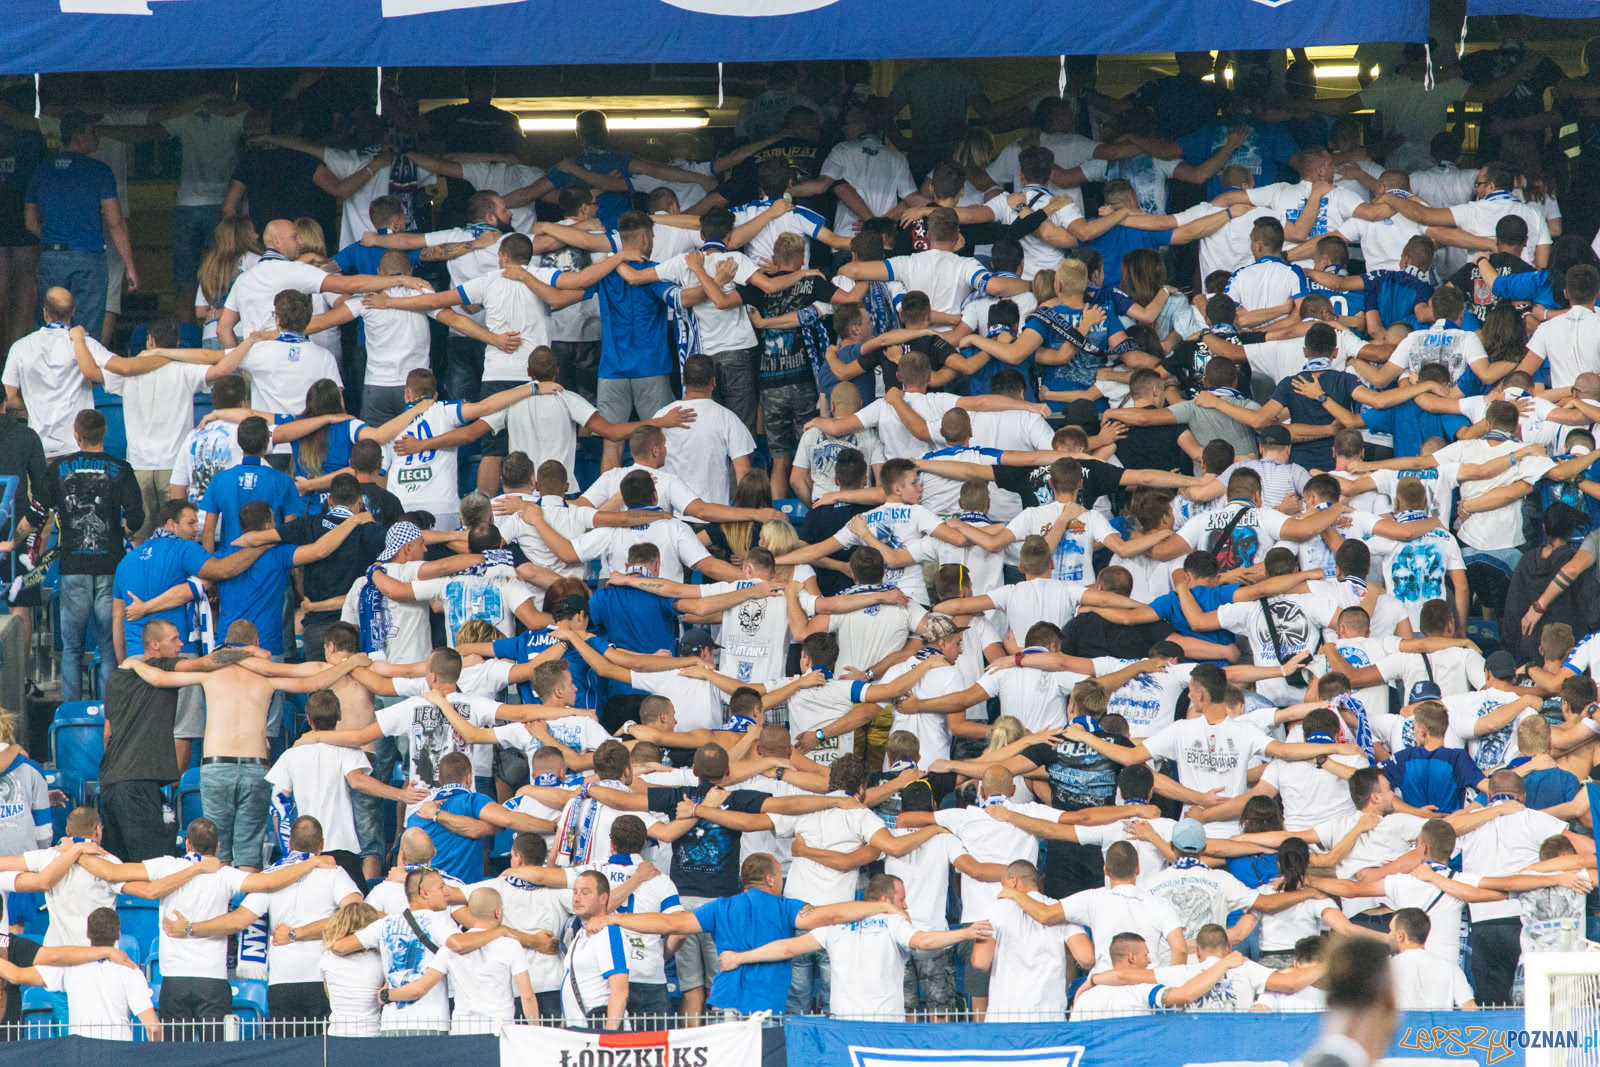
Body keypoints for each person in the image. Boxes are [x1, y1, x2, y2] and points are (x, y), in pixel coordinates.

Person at [605, 852, 910, 1021]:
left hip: (724, 1003)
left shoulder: (721, 907)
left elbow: (668, 922)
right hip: (766, 1007)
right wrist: (880, 906)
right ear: (770, 879)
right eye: (779, 876)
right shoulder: (784, 907)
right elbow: (829, 916)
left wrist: (615, 917)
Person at [163, 814, 364, 1025]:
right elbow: (356, 915)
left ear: (289, 844)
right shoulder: (334, 873)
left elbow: (238, 921)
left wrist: (190, 928)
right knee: (324, 1046)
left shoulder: (272, 877)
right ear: (322, 844)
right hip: (323, 978)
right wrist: (299, 933)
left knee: (287, 1047)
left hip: (283, 981)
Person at [717, 872, 987, 1023]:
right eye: (902, 900)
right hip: (885, 1025)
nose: (905, 906)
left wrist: (740, 958)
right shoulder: (893, 922)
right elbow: (925, 941)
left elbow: (788, 948)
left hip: (843, 1024)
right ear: (884, 900)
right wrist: (966, 932)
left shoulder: (836, 925)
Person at [29, 408, 142, 702]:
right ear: (104, 433)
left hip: (73, 566)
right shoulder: (121, 468)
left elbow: (37, 514)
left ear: (76, 435)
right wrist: (121, 533)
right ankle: (108, 715)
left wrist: (15, 540)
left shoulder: (58, 469)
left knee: (72, 649)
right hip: (110, 564)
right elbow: (137, 518)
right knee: (107, 647)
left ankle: (71, 711)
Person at [24, 112, 137, 332]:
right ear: (78, 137)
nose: (98, 137)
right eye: (92, 132)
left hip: (52, 257)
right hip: (88, 259)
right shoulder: (100, 171)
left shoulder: (42, 171)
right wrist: (130, 266)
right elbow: (115, 222)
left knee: (50, 328)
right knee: (86, 332)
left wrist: (53, 238)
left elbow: (29, 221)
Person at [325, 866, 459, 1035]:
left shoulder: (384, 924)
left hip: (390, 1025)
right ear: (424, 893)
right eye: (441, 887)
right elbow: (460, 945)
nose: (446, 892)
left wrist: (380, 949)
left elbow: (339, 947)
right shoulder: (440, 921)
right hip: (430, 1023)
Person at [0, 908, 159, 1041]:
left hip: (81, 1052)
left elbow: (16, 975)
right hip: (119, 1053)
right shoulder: (131, 971)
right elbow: (153, 1027)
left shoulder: (69, 967)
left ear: (88, 934)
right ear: (118, 934)